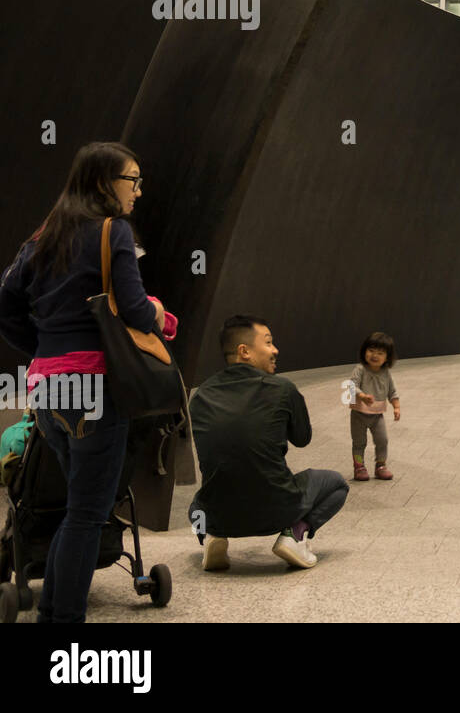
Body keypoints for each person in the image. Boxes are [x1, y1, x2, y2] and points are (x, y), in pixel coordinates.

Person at [0, 141, 170, 623]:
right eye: (131, 179)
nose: (138, 190)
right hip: (93, 387)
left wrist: (43, 348)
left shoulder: (39, 239)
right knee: (88, 514)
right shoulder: (113, 231)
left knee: (78, 507)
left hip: (46, 389)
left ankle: (54, 609)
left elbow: (4, 305)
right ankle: (63, 622)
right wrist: (157, 310)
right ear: (103, 183)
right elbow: (135, 310)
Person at [188, 315, 348, 570]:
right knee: (337, 484)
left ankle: (211, 535)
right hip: (278, 509)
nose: (275, 350)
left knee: (196, 506)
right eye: (269, 342)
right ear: (245, 351)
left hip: (217, 514)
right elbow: (302, 439)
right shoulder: (283, 388)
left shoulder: (200, 396)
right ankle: (294, 535)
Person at [348, 331, 400, 481]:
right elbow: (351, 386)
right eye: (371, 350)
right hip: (358, 414)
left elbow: (392, 392)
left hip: (377, 415)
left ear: (387, 357)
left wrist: (396, 407)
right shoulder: (360, 369)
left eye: (380, 352)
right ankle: (359, 467)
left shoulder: (386, 373)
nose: (374, 355)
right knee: (359, 442)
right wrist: (362, 396)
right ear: (364, 351)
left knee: (382, 439)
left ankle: (381, 465)